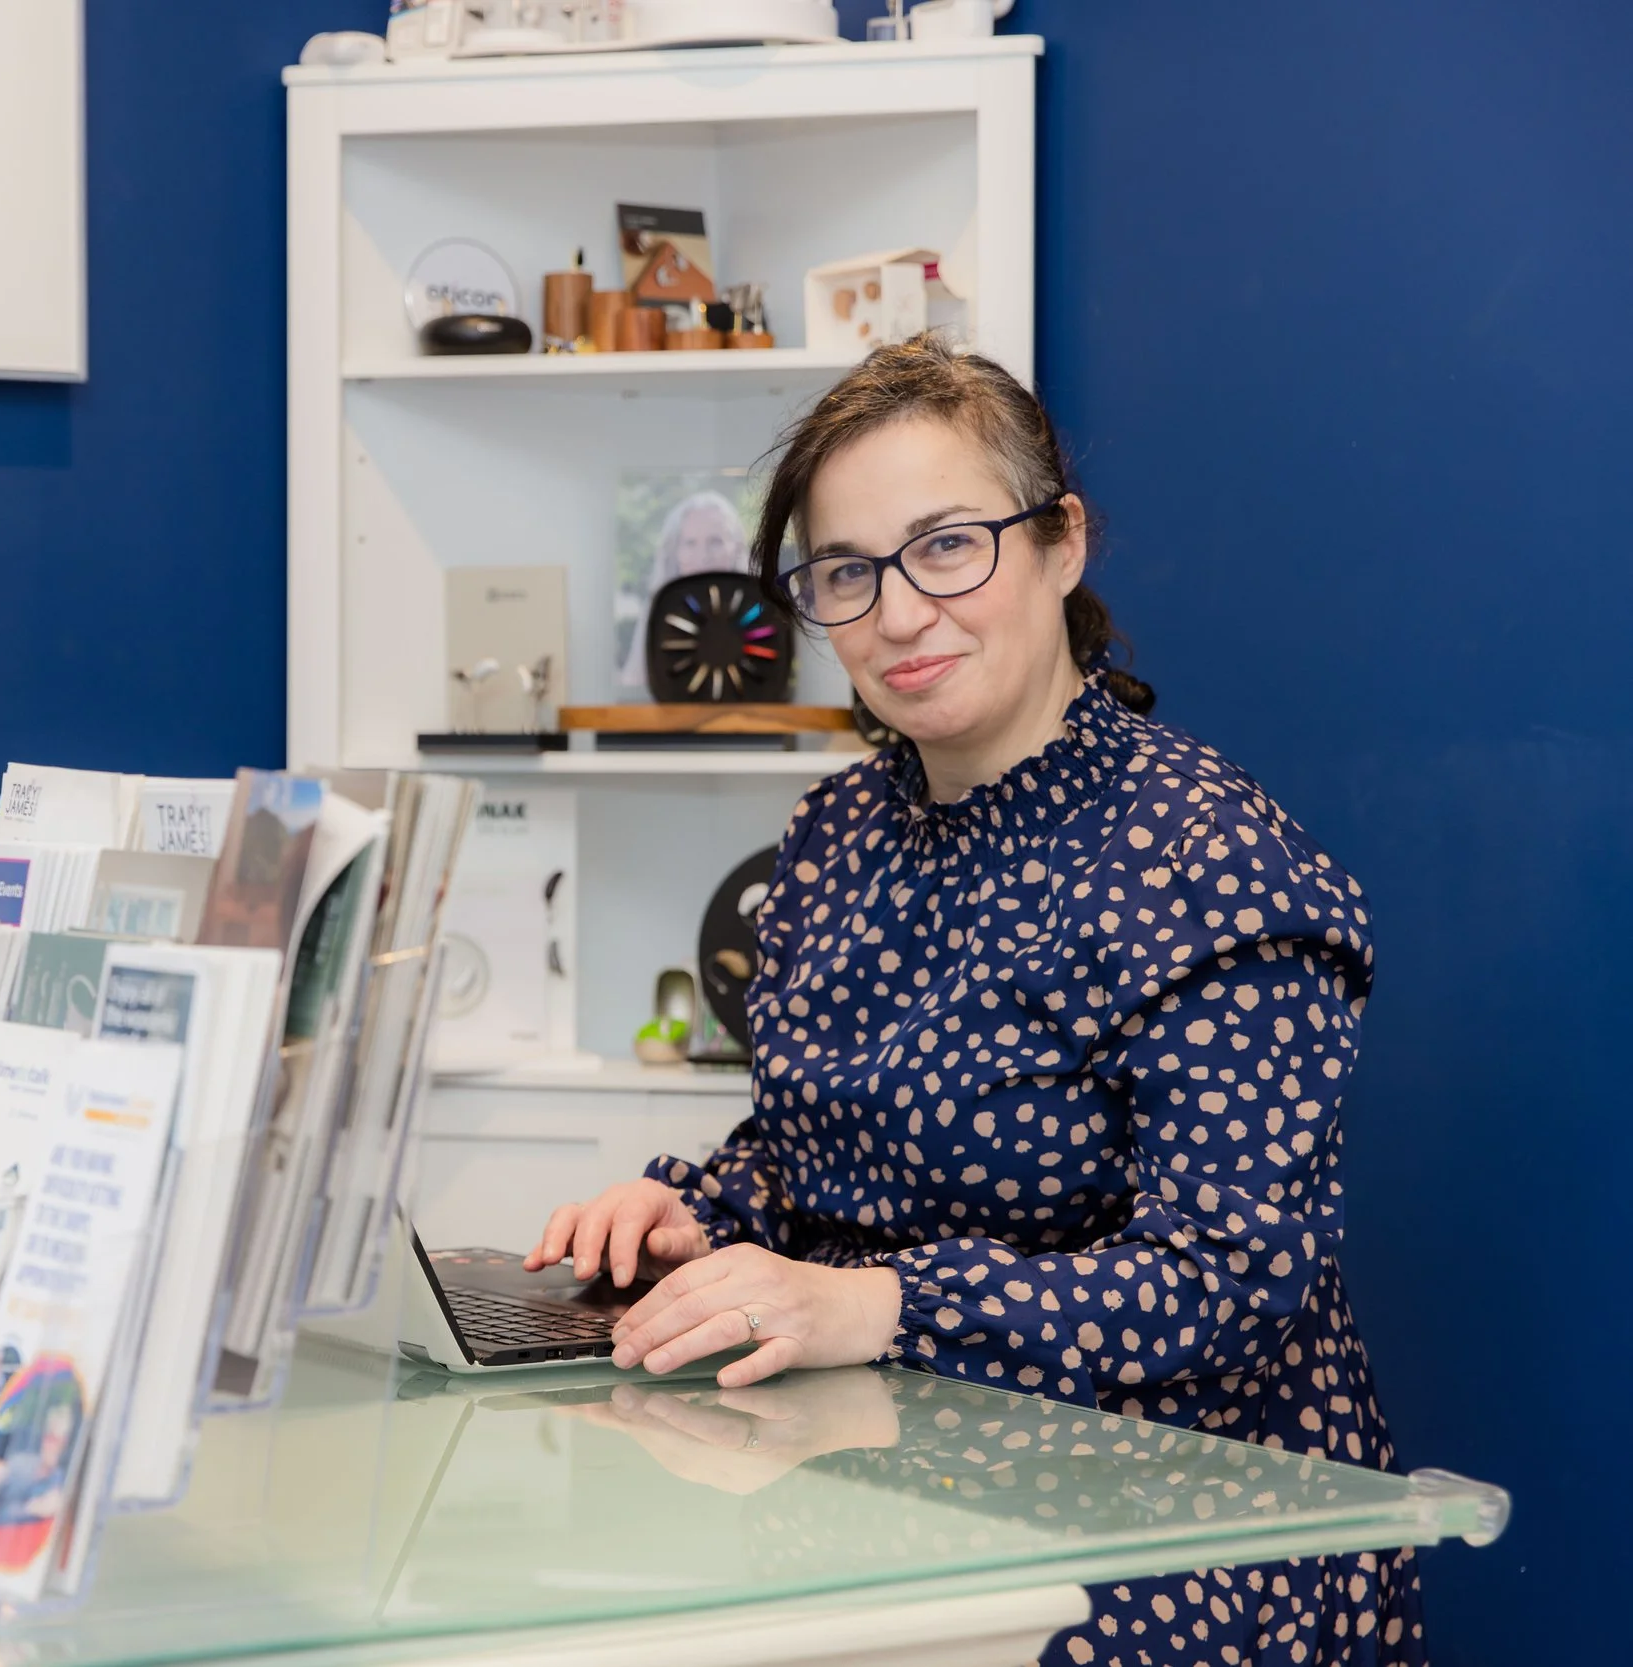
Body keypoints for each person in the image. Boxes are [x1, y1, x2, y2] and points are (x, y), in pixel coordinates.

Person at [529, 334, 1422, 1666]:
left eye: (949, 545)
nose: (898, 613)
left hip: (1166, 1536)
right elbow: (819, 1148)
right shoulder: (837, 831)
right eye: (847, 570)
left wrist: (873, 1304)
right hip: (873, 1497)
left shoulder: (1214, 861)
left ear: (1062, 544)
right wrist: (692, 1211)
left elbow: (1232, 1279)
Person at [617, 487, 747, 692]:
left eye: (715, 542)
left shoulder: (755, 608)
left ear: (736, 547)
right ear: (675, 552)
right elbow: (633, 685)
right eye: (690, 543)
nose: (703, 557)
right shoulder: (658, 609)